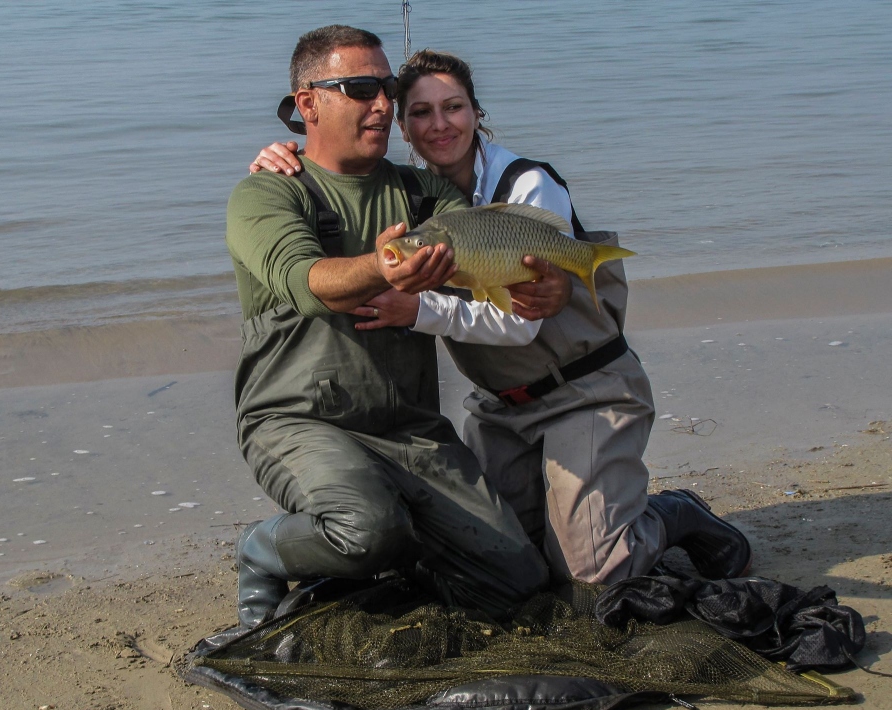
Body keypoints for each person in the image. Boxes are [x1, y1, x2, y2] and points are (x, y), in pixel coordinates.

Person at [251, 49, 752, 585]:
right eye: (420, 112)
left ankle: (671, 513)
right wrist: (287, 161)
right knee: (504, 567)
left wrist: (416, 309)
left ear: (476, 112)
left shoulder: (527, 185)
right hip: (498, 408)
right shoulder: (419, 200)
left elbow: (519, 324)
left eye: (454, 107)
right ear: (401, 124)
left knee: (591, 573)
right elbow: (346, 195)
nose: (440, 125)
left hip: (585, 392)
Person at [226, 27, 565, 629]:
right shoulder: (267, 193)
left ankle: (397, 550)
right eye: (359, 89)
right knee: (369, 528)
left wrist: (547, 282)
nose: (382, 104)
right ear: (308, 104)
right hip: (300, 420)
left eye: (385, 88)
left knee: (519, 584)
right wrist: (386, 265)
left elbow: (486, 257)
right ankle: (263, 551)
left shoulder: (423, 191)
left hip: (411, 429)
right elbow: (310, 285)